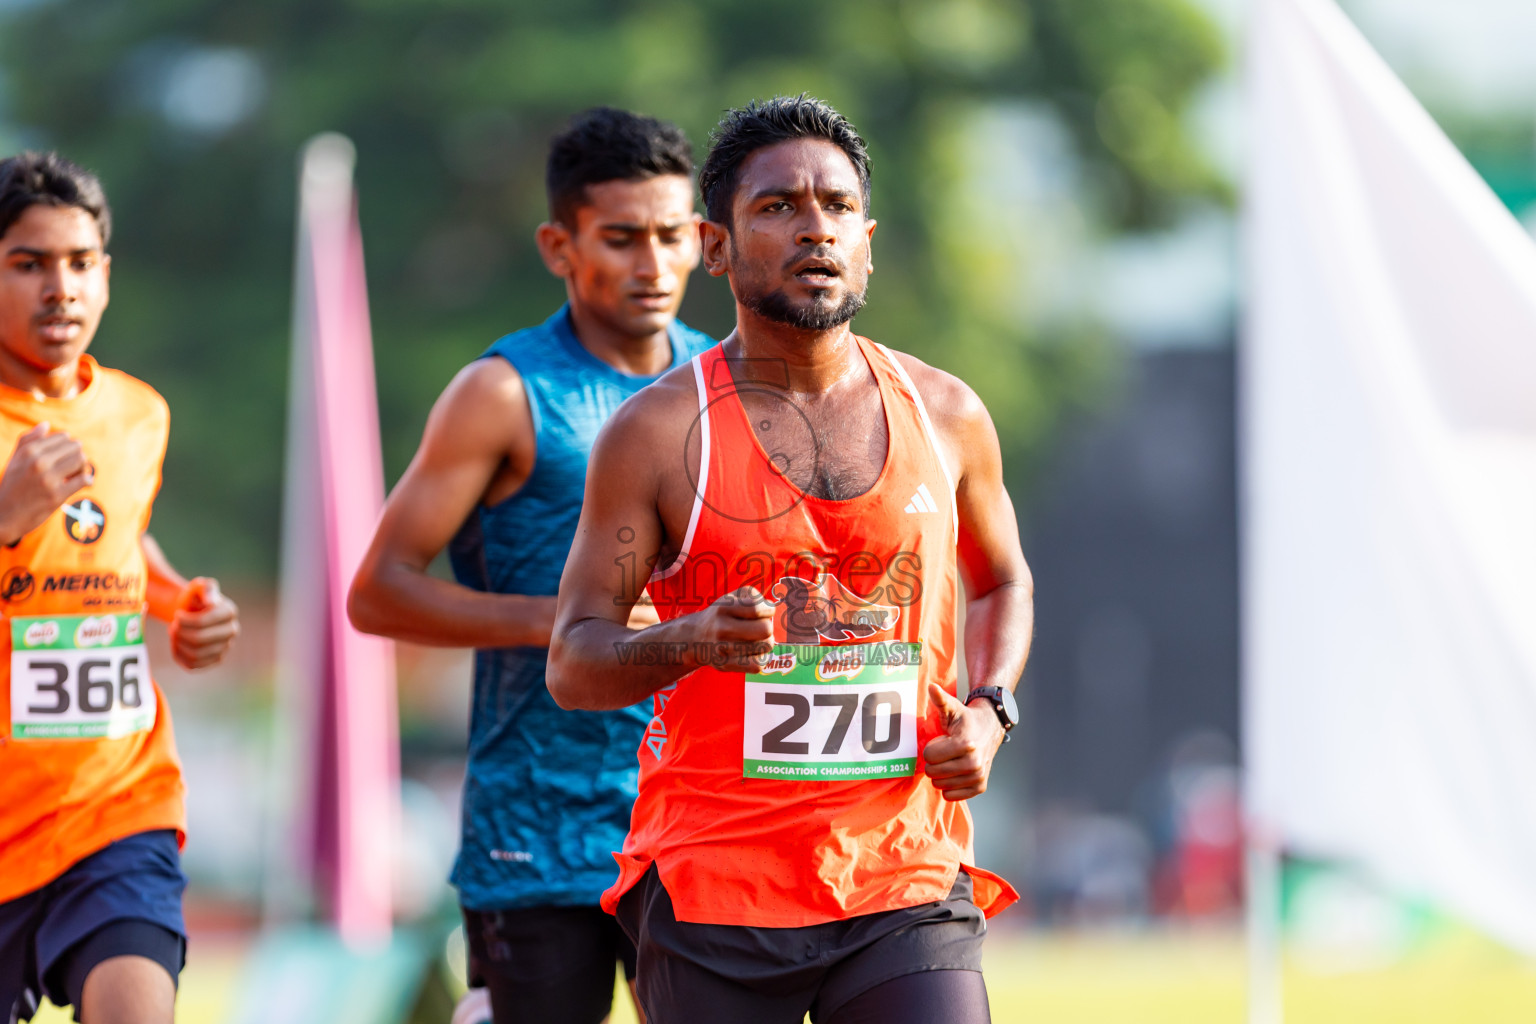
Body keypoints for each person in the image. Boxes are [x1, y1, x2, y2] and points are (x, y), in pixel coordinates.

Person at [546, 95, 1035, 1024]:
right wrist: (688, 640)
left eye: (838, 207)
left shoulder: (948, 414)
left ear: (869, 238)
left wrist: (991, 706)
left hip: (901, 874)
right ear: (717, 246)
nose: (815, 228)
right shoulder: (653, 436)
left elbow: (1003, 579)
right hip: (713, 884)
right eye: (778, 207)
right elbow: (574, 662)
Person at [348, 107, 715, 1024]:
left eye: (673, 237)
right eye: (621, 239)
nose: (653, 264)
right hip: (535, 823)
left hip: (691, 811)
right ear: (560, 245)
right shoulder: (502, 392)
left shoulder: (726, 386)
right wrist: (563, 624)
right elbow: (377, 590)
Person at [0, 152, 240, 1024]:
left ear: (106, 274)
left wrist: (180, 604)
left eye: (79, 262)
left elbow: (119, 534)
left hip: (114, 801)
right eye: (27, 263)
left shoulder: (138, 413)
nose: (59, 288)